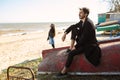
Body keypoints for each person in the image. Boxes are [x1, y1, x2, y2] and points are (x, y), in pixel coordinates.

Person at [54, 7, 101, 78]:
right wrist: (65, 33)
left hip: (89, 45)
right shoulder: (83, 21)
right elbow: (73, 26)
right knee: (74, 29)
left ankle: (63, 72)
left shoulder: (88, 23)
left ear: (86, 14)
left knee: (71, 53)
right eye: (79, 12)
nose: (79, 14)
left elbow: (84, 39)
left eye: (81, 12)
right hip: (84, 42)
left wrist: (75, 47)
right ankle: (70, 48)